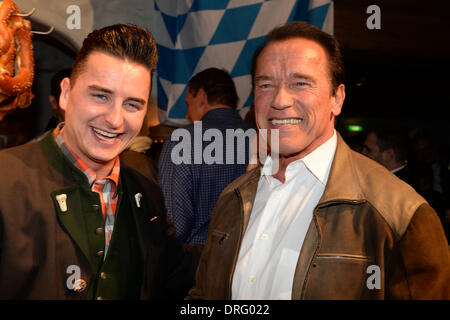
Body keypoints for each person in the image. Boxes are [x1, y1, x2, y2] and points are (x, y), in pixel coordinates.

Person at [188, 22, 450, 300]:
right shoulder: (232, 199)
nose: (279, 100)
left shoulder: (400, 214)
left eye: (300, 83)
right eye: (266, 84)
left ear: (337, 98)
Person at [0, 24, 197, 300]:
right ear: (66, 94)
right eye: (101, 96)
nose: (115, 120)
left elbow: (174, 276)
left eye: (132, 104)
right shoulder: (5, 179)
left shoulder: (145, 180)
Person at [158, 68, 254, 245]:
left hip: (197, 262)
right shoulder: (264, 139)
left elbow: (175, 223)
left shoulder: (182, 141)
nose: (187, 115)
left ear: (201, 96)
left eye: (188, 104)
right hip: (250, 261)